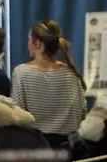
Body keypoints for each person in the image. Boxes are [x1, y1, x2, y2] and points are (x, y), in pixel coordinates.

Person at [12, 20, 87, 151]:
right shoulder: (72, 73)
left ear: (37, 43)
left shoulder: (22, 72)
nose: (28, 44)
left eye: (29, 40)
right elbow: (82, 113)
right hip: (69, 152)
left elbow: (18, 116)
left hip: (37, 152)